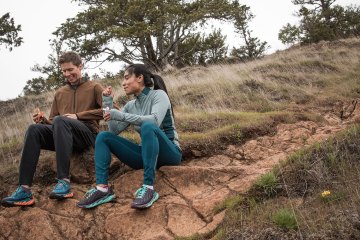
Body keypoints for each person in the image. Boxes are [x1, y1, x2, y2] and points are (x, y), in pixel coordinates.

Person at [1, 51, 105, 207]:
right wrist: (43, 121)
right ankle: (24, 190)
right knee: (34, 129)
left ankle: (64, 182)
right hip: (64, 134)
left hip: (87, 134)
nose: (67, 74)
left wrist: (79, 115)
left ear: (80, 66)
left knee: (60, 120)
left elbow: (111, 110)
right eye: (64, 71)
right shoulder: (60, 93)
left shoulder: (94, 87)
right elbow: (55, 124)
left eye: (70, 69)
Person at [77, 64, 182, 209]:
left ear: (140, 78)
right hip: (146, 156)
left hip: (169, 154)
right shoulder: (130, 105)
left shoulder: (159, 95)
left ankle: (148, 189)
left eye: (127, 78)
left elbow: (155, 120)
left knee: (148, 125)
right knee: (103, 137)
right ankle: (102, 189)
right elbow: (113, 130)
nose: (123, 83)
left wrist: (121, 115)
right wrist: (107, 103)